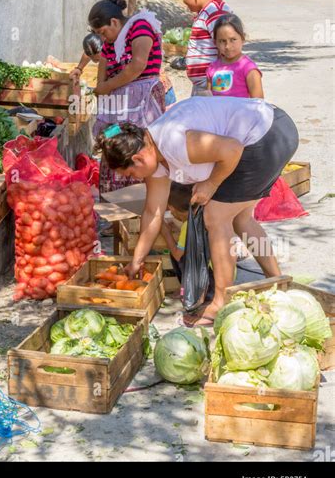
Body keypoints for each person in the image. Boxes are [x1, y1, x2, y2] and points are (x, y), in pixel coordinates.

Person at [94, 96, 299, 326]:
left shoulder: (172, 141)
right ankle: (278, 281)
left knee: (215, 217)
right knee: (241, 219)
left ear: (137, 158)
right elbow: (153, 213)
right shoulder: (154, 155)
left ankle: (221, 302)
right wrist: (136, 261)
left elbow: (232, 149)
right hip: (276, 130)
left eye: (131, 174)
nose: (135, 179)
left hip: (267, 135)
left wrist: (211, 184)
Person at [88, 0, 165, 195]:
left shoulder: (140, 26)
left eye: (103, 32)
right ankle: (118, 209)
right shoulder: (109, 43)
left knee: (139, 146)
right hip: (118, 106)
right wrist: (101, 87)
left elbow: (137, 65)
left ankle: (147, 203)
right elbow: (103, 66)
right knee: (114, 144)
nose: (103, 38)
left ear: (114, 22)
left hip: (141, 101)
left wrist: (107, 87)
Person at [176, 0, 232, 95]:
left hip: (213, 87)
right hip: (204, 85)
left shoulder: (215, 12)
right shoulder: (208, 11)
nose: (185, 3)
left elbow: (227, 49)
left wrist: (219, 90)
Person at [206, 14, 264, 98]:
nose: (227, 46)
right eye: (222, 41)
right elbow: (208, 102)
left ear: (243, 38)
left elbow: (258, 104)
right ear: (215, 43)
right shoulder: (212, 69)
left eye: (233, 40)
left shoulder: (249, 69)